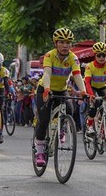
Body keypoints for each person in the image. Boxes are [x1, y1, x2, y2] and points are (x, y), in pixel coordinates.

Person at [34, 28, 86, 166]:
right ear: (55, 43)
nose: (65, 45)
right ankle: (39, 152)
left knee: (70, 109)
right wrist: (46, 89)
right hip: (45, 89)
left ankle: (61, 128)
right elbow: (46, 74)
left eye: (68, 42)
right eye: (61, 42)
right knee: (44, 120)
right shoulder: (49, 56)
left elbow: (77, 75)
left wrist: (83, 91)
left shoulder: (73, 58)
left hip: (61, 90)